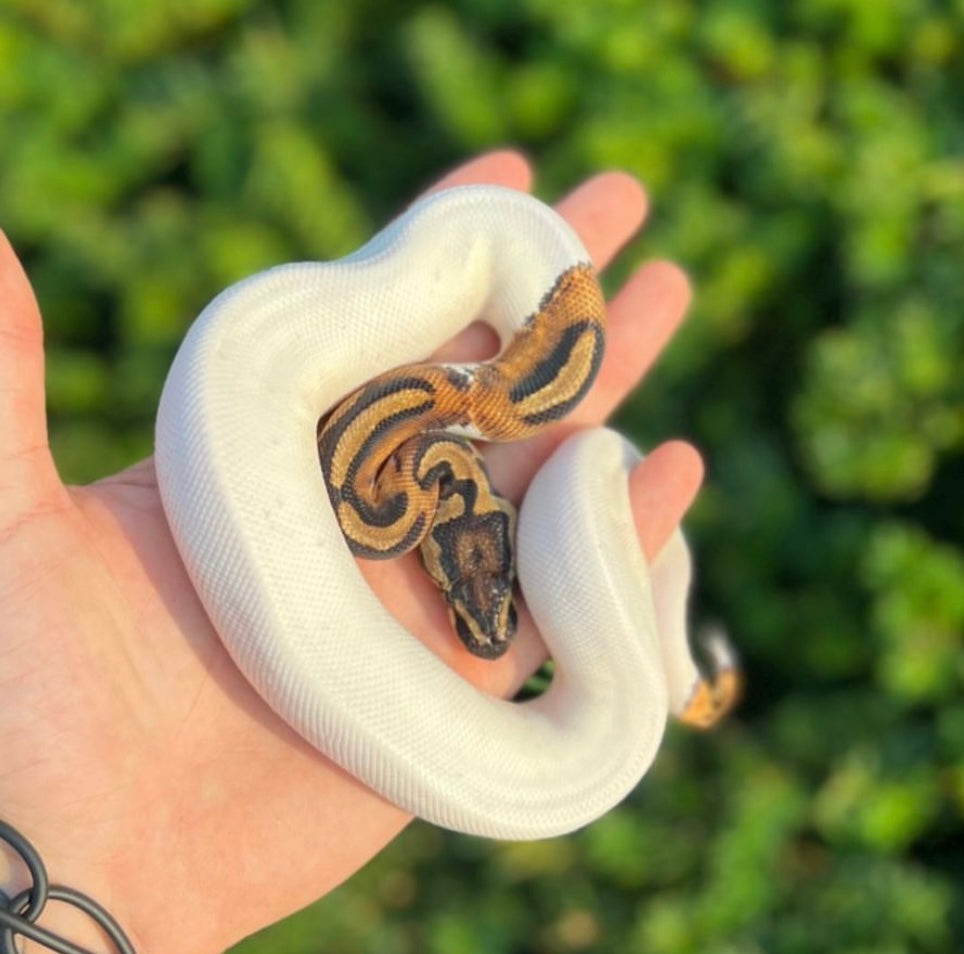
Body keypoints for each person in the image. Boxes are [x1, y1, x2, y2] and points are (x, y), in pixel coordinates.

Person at [0, 150, 703, 953]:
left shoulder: (396, 482)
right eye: (491, 589)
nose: (488, 624)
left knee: (591, 463)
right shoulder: (392, 493)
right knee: (590, 460)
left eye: (483, 597)